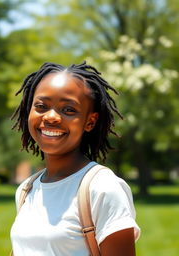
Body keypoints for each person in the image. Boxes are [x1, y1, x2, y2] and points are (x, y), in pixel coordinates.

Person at [10, 61, 140, 256]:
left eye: (68, 110)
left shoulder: (102, 188)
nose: (51, 117)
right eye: (41, 106)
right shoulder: (26, 190)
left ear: (90, 121)